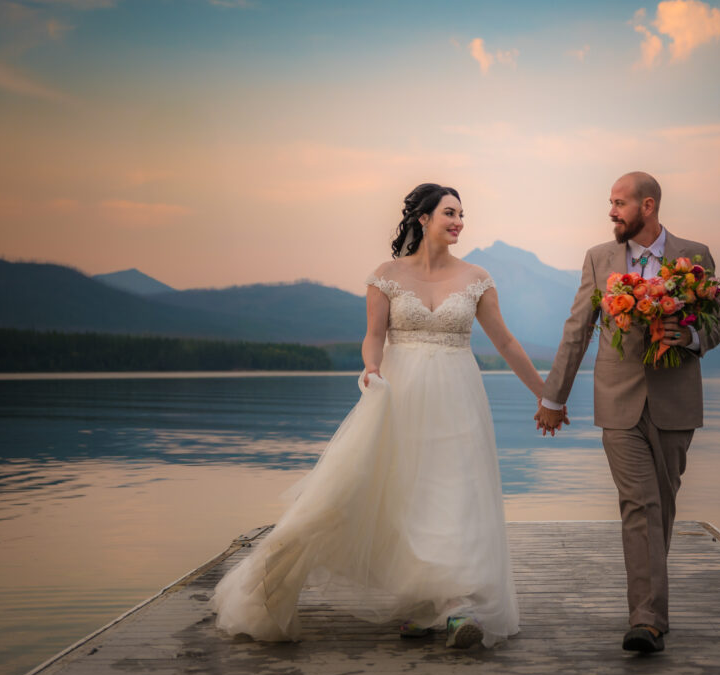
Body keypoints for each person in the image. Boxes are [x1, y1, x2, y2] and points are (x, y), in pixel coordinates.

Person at [212, 183, 546, 649]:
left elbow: (506, 343)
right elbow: (372, 336)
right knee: (402, 496)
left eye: (462, 215)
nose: (458, 222)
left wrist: (546, 396)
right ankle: (422, 602)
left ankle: (458, 608)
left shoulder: (477, 277)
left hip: (458, 397)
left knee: (456, 493)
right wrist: (371, 368)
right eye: (449, 213)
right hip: (400, 394)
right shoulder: (385, 275)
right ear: (423, 218)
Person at [534, 171, 720, 654]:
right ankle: (648, 620)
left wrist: (692, 337)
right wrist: (553, 397)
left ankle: (649, 605)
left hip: (676, 404)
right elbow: (577, 329)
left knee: (661, 506)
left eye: (619, 203)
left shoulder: (694, 257)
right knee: (640, 505)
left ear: (648, 205)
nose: (611, 211)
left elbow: (717, 322)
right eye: (610, 203)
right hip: (618, 403)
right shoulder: (599, 259)